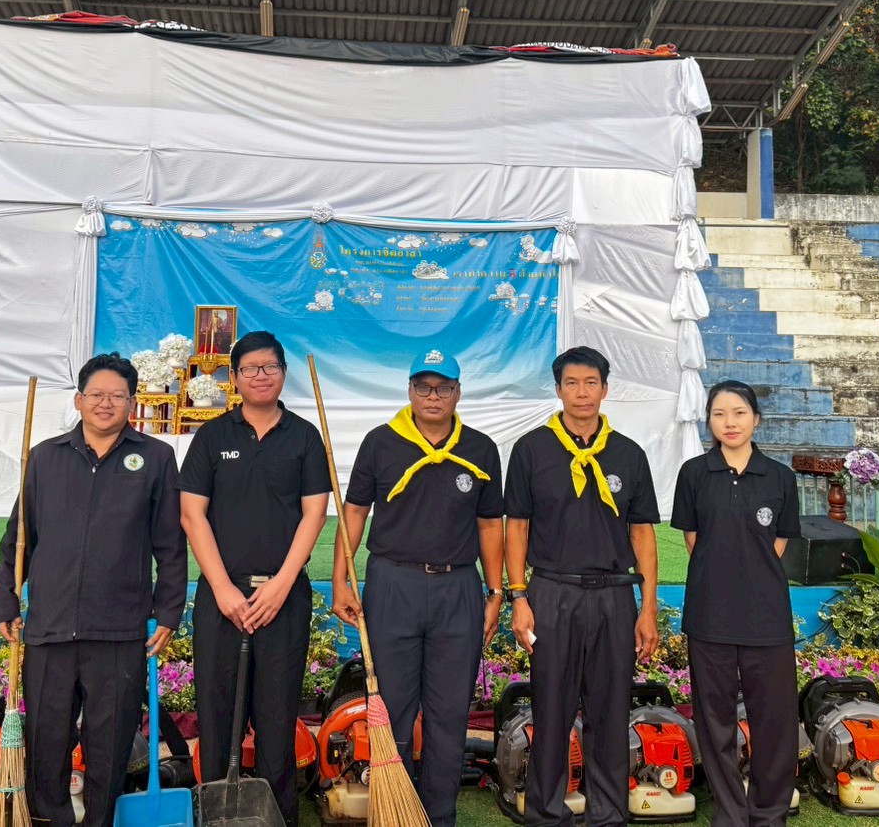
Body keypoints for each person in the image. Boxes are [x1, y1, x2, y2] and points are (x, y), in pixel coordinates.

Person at [0, 352, 187, 827]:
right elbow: (19, 538)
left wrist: (168, 610)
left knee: (110, 745)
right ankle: (52, 819)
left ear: (132, 403)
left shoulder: (156, 458)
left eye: (117, 396)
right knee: (47, 740)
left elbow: (170, 543)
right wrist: (6, 596)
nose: (106, 403)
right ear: (79, 400)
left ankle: (101, 820)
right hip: (50, 628)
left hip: (119, 631)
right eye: (96, 394)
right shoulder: (45, 457)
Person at [331, 349, 505, 827]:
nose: (433, 396)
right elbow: (354, 513)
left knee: (450, 715)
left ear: (458, 393)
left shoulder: (480, 448)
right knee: (393, 712)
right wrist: (340, 579)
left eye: (443, 387)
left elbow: (491, 525)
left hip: (458, 588)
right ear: (409, 390)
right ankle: (396, 815)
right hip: (394, 584)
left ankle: (439, 816)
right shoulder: (380, 442)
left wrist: (496, 593)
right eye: (424, 387)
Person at [180, 331, 331, 827]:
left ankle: (277, 816)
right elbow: (192, 515)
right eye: (250, 368)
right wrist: (223, 589)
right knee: (217, 715)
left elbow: (314, 514)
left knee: (276, 718)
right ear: (235, 377)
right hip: (221, 598)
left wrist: (282, 584)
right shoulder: (212, 437)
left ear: (284, 373)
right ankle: (216, 812)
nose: (260, 376)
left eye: (270, 367)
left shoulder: (304, 436)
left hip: (283, 596)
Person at [505, 345, 661, 827]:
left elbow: (642, 534)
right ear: (558, 390)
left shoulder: (628, 454)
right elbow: (517, 527)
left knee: (610, 712)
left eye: (591, 382)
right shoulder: (532, 450)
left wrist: (647, 607)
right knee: (551, 709)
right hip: (553, 594)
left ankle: (607, 815)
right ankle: (546, 814)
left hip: (614, 596)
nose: (581, 392)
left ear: (605, 389)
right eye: (571, 383)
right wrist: (518, 596)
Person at [668, 380, 801, 827]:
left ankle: (769, 814)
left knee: (775, 722)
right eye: (719, 413)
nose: (730, 422)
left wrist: (750, 576)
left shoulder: (780, 477)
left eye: (739, 412)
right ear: (708, 420)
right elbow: (694, 541)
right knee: (714, 721)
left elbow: (777, 545)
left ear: (756, 419)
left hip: (767, 618)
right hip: (710, 615)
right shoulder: (693, 474)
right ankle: (729, 814)